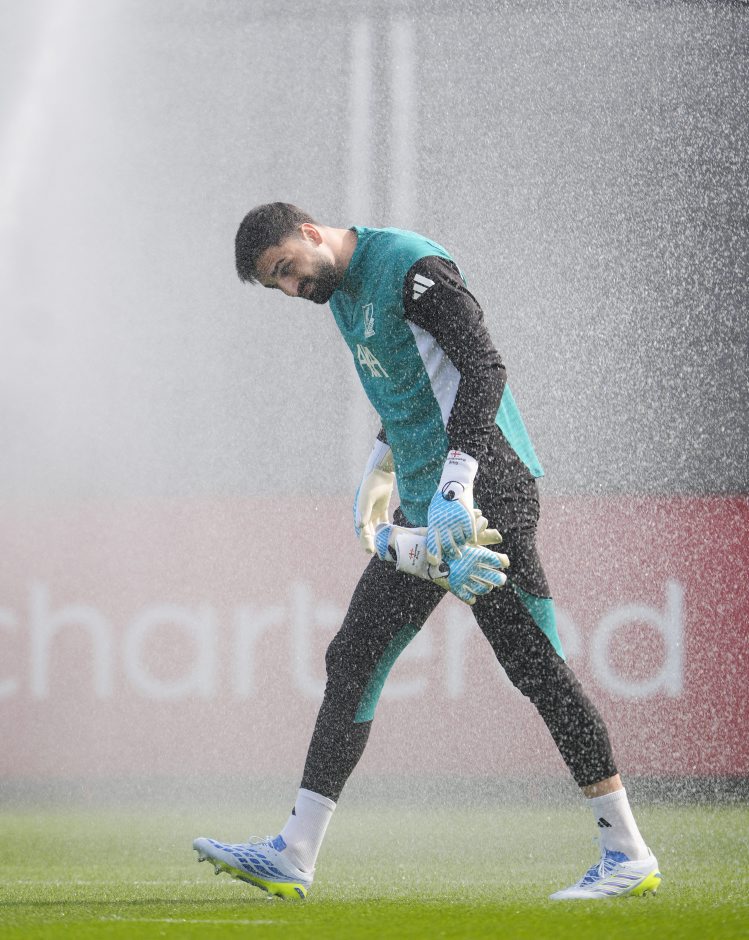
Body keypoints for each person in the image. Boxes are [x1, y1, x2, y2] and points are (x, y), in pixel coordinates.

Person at [193, 202, 661, 901]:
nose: (291, 289)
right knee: (354, 657)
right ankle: (294, 853)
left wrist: (457, 480)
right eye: (277, 285)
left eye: (287, 269)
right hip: (427, 500)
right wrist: (379, 467)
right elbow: (409, 388)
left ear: (311, 233)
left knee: (532, 665)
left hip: (483, 491)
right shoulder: (336, 291)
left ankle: (626, 853)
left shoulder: (412, 266)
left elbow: (483, 367)